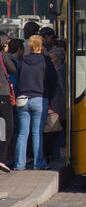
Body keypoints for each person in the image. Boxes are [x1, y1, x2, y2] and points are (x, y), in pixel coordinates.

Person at [14, 35, 57, 170]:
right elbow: (52, 80)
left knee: (22, 133)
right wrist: (50, 96)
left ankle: (19, 164)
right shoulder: (46, 61)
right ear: (41, 46)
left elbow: (17, 80)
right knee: (37, 132)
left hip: (23, 99)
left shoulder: (22, 61)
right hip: (40, 98)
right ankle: (39, 163)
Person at [45, 48, 66, 161]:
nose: (51, 60)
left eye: (53, 58)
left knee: (57, 127)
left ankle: (56, 152)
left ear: (59, 59)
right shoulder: (63, 68)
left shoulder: (58, 70)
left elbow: (63, 87)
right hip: (59, 101)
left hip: (59, 101)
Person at [0, 35, 16, 173]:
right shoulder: (3, 56)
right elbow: (12, 70)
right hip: (3, 95)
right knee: (8, 127)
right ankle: (2, 159)